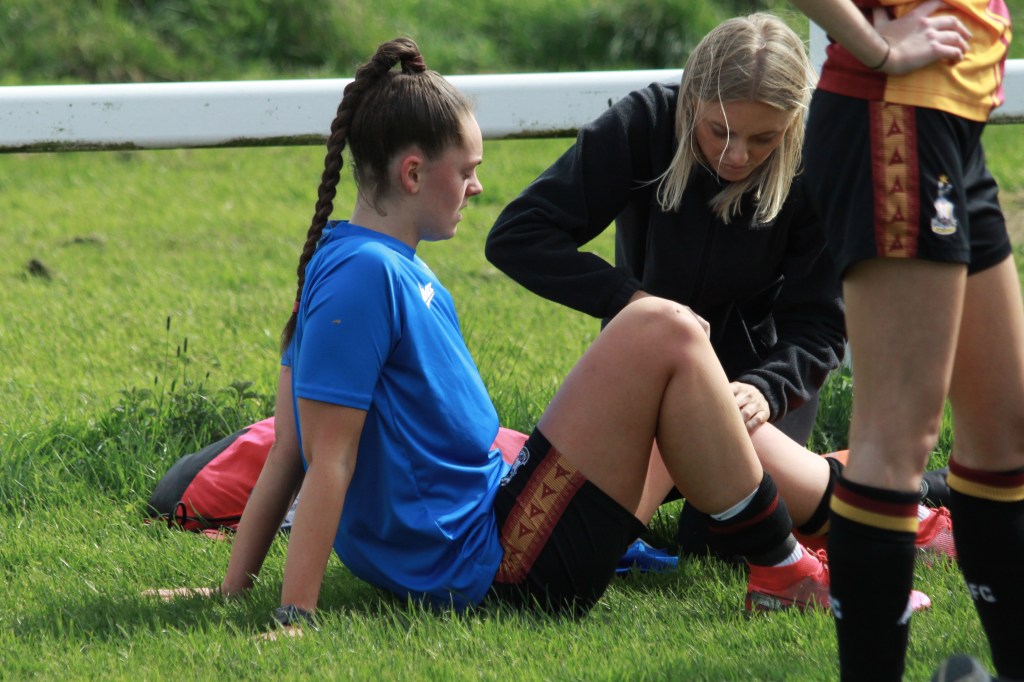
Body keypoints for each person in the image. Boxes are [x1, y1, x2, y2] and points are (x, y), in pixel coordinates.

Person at [149, 37, 934, 630]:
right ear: (416, 174)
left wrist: (230, 589)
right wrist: (296, 614)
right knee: (663, 329)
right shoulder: (365, 278)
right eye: (469, 169)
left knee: (676, 362)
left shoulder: (373, 268)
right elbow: (317, 455)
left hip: (498, 524)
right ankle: (811, 557)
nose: (481, 185)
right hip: (499, 564)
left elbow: (294, 445)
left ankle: (840, 539)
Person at [485, 12, 950, 561]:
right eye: (719, 131)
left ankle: (895, 496)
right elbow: (517, 234)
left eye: (764, 139)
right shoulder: (645, 124)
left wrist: (765, 388)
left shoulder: (818, 161)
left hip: (757, 388)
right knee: (600, 531)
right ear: (691, 102)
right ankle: (882, 489)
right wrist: (631, 302)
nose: (736, 155)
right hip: (650, 374)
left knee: (718, 544)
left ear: (794, 123)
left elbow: (821, 324)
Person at [784, 1, 1020, 680]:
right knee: (897, 439)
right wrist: (876, 46)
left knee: (1005, 432)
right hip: (893, 111)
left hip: (947, 125)